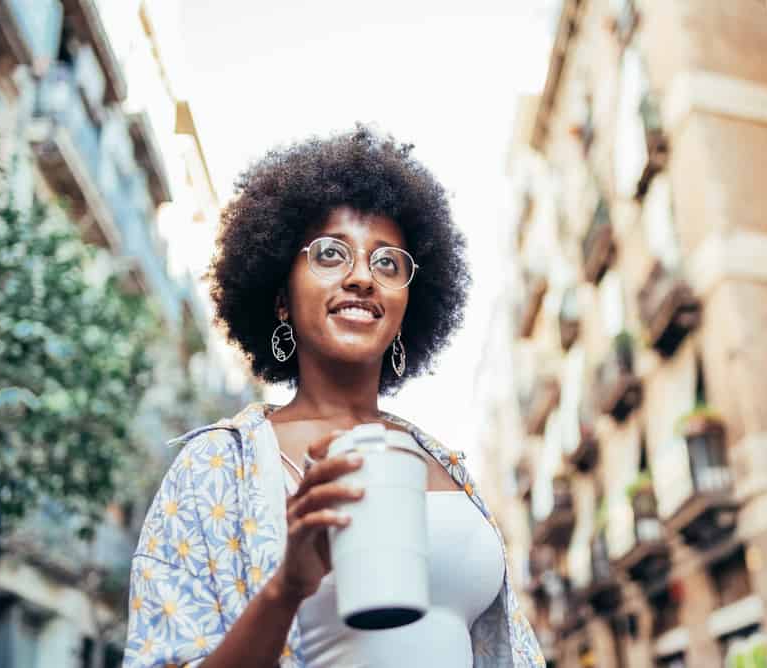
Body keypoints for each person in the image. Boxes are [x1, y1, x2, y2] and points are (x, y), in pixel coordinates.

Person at [122, 126, 545, 667]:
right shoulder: (216, 466)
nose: (362, 277)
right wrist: (287, 587)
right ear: (280, 297)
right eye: (330, 255)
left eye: (387, 262)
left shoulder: (446, 464)